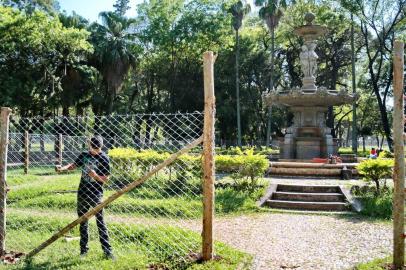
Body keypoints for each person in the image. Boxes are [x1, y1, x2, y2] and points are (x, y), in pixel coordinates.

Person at [56, 136, 114, 260]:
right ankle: (83, 251)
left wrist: (96, 176)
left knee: (101, 222)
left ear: (101, 147)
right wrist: (62, 168)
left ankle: (107, 251)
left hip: (96, 194)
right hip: (82, 192)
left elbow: (106, 179)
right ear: (90, 146)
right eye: (93, 148)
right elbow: (74, 165)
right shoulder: (84, 155)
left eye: (97, 149)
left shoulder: (104, 158)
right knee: (83, 222)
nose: (95, 151)